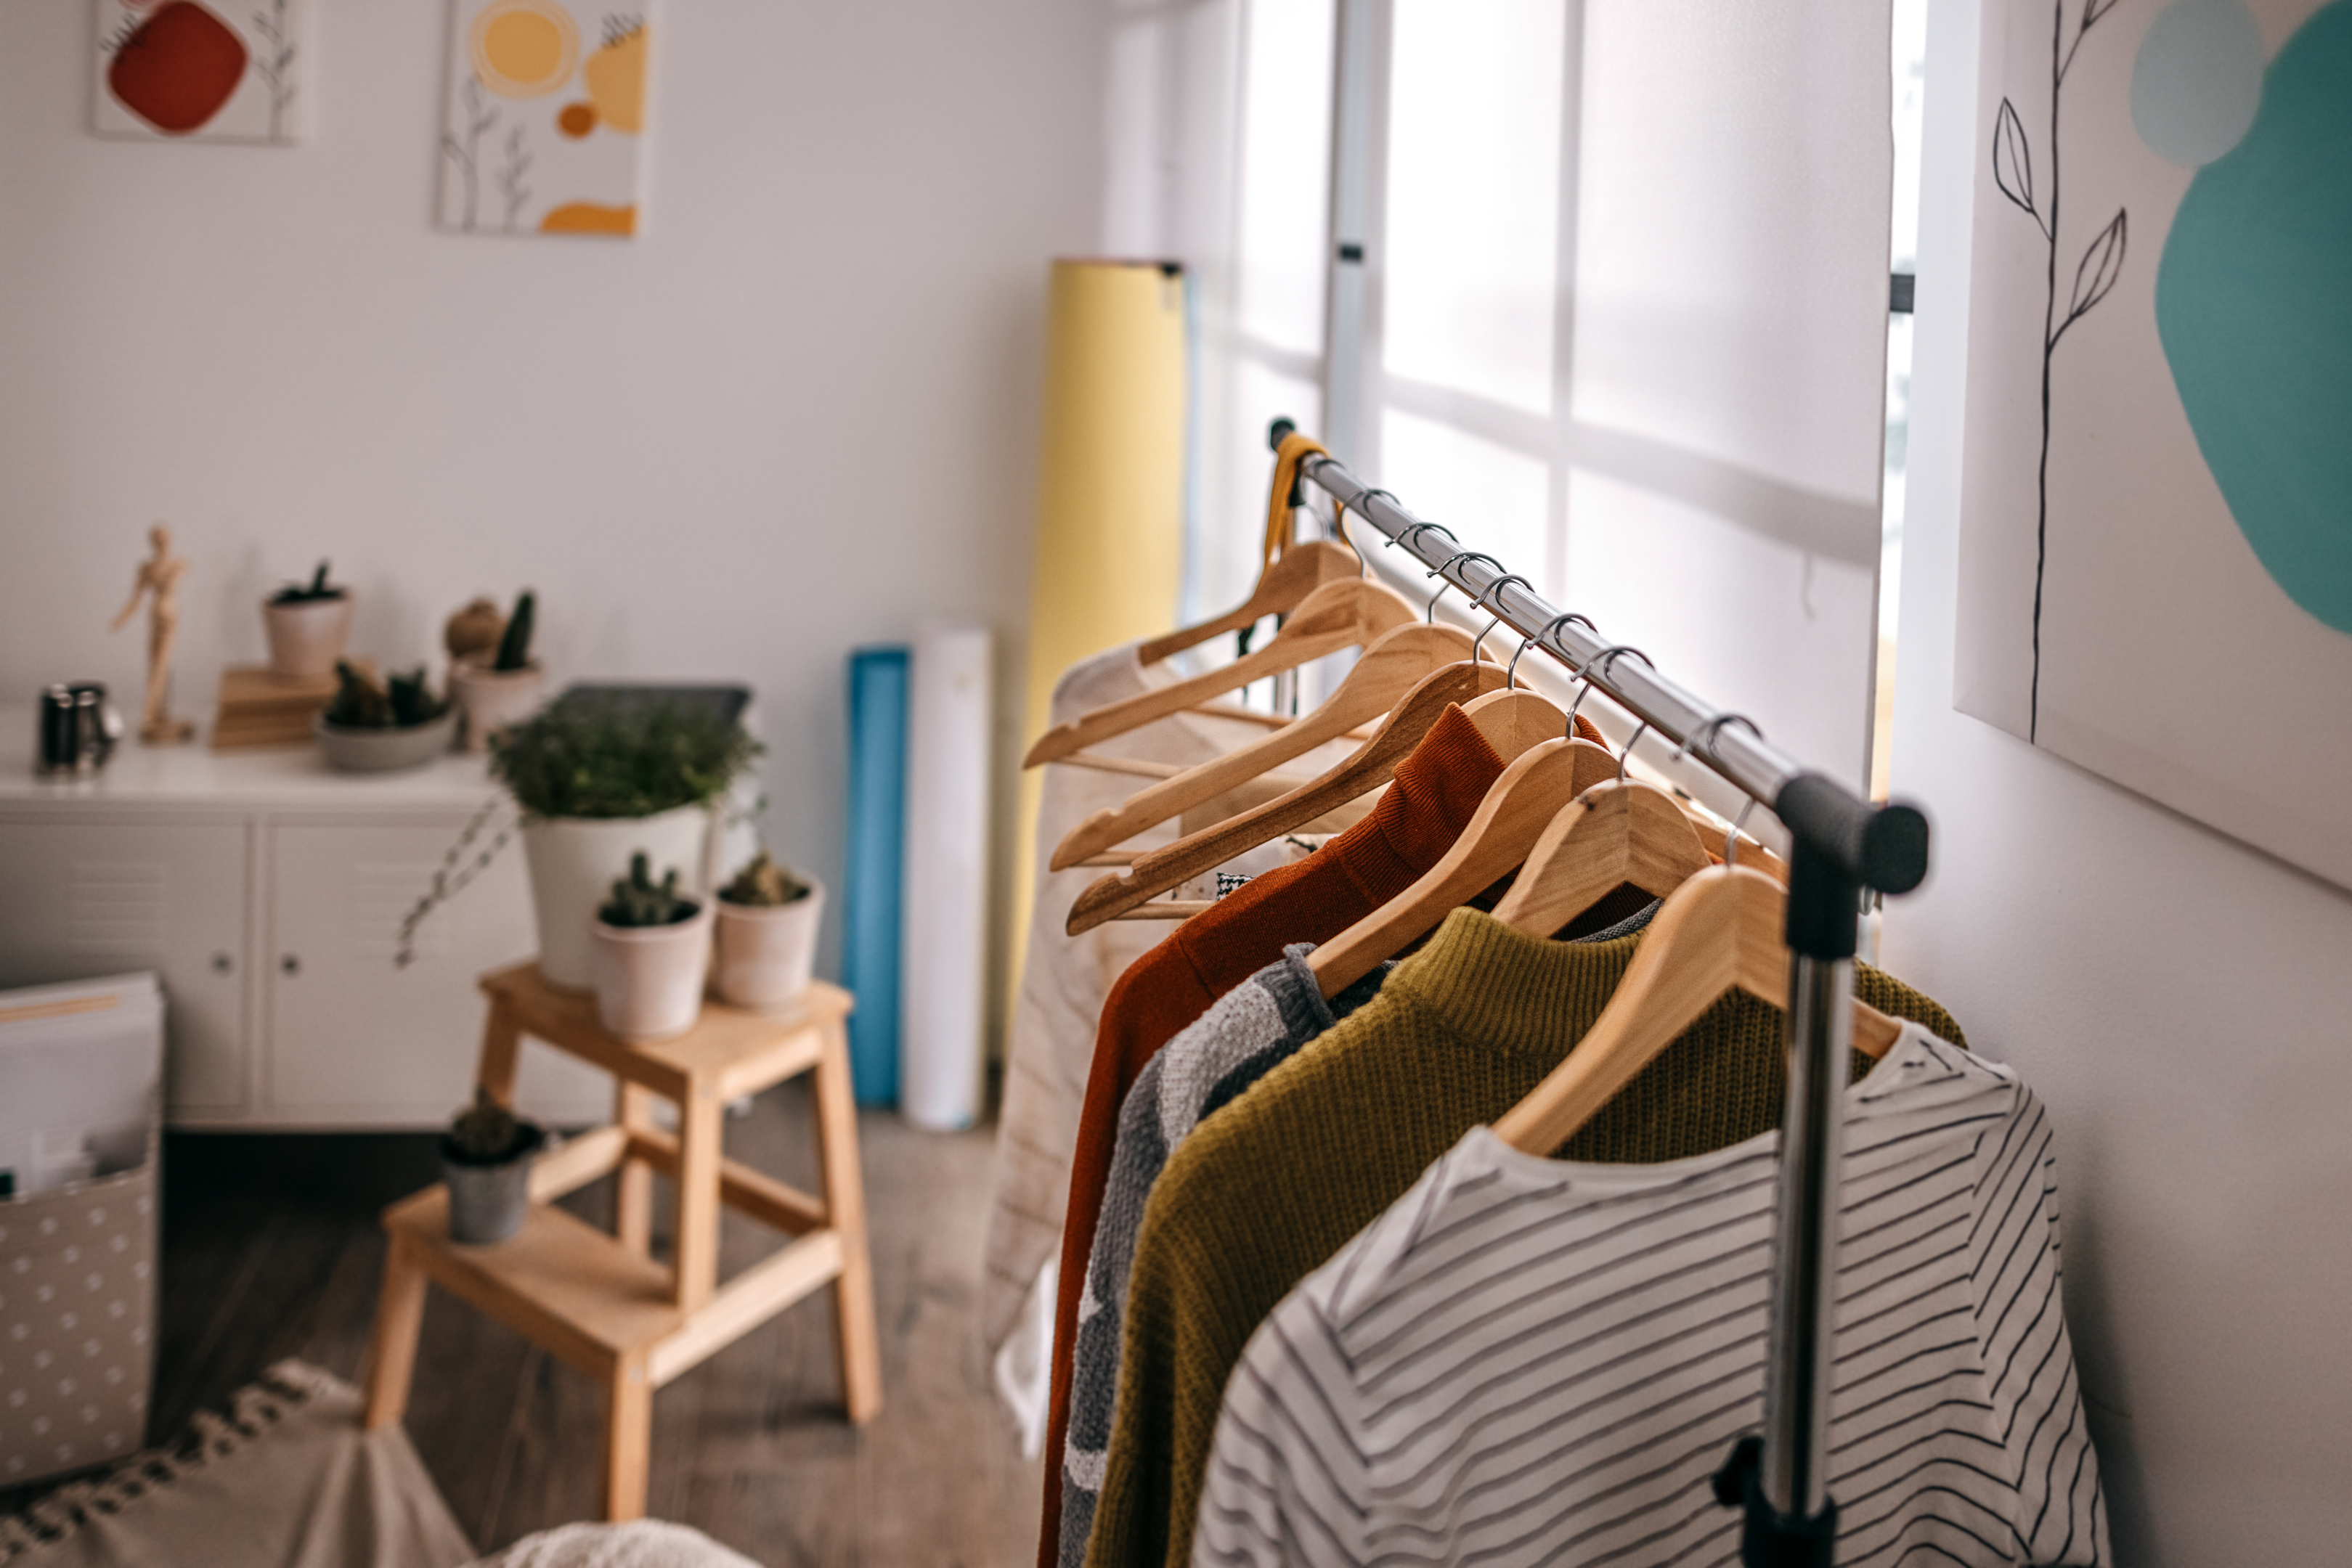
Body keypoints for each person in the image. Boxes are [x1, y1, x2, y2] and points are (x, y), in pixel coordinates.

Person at [110, 523, 195, 743]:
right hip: (157, 615)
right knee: (156, 665)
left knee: (162, 665)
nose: (162, 542)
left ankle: (157, 713)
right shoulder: (148, 568)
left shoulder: (177, 565)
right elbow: (135, 599)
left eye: (165, 537)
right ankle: (149, 716)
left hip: (168, 616)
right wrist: (121, 619)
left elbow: (180, 574)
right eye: (158, 538)